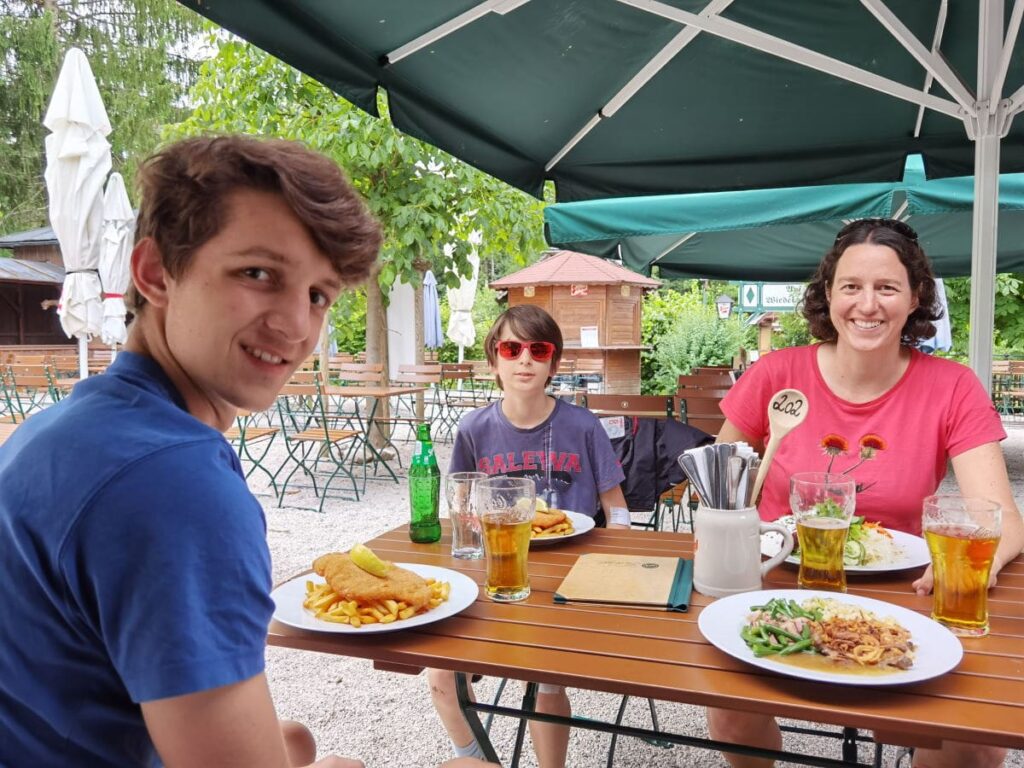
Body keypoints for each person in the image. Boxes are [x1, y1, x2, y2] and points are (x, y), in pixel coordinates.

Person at [0, 135, 490, 768]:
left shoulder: (62, 428)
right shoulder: (174, 483)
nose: (295, 325)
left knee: (302, 744)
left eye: (318, 295)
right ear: (154, 274)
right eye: (258, 274)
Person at [707, 217, 1024, 768]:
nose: (867, 305)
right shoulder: (775, 375)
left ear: (915, 297)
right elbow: (717, 486)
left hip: (906, 597)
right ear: (828, 294)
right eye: (851, 286)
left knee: (977, 736)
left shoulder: (951, 386)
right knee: (729, 711)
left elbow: (999, 519)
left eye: (887, 287)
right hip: (778, 585)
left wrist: (977, 565)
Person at [427, 304, 630, 768]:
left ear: (554, 363)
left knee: (546, 681)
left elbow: (616, 509)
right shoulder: (474, 428)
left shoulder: (583, 426)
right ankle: (477, 760)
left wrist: (614, 562)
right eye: (511, 348)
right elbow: (459, 511)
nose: (525, 360)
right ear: (494, 360)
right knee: (441, 677)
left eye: (538, 350)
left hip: (567, 580)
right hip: (495, 575)